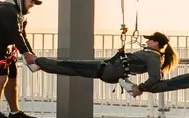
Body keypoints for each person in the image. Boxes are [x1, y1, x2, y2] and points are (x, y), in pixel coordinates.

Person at [36, 32, 178, 92]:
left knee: (70, 66)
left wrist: (139, 88)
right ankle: (38, 64)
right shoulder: (151, 55)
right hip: (109, 69)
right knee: (72, 66)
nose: (146, 41)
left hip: (109, 70)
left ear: (155, 43)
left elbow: (155, 77)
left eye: (149, 39)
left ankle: (37, 61)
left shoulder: (153, 57)